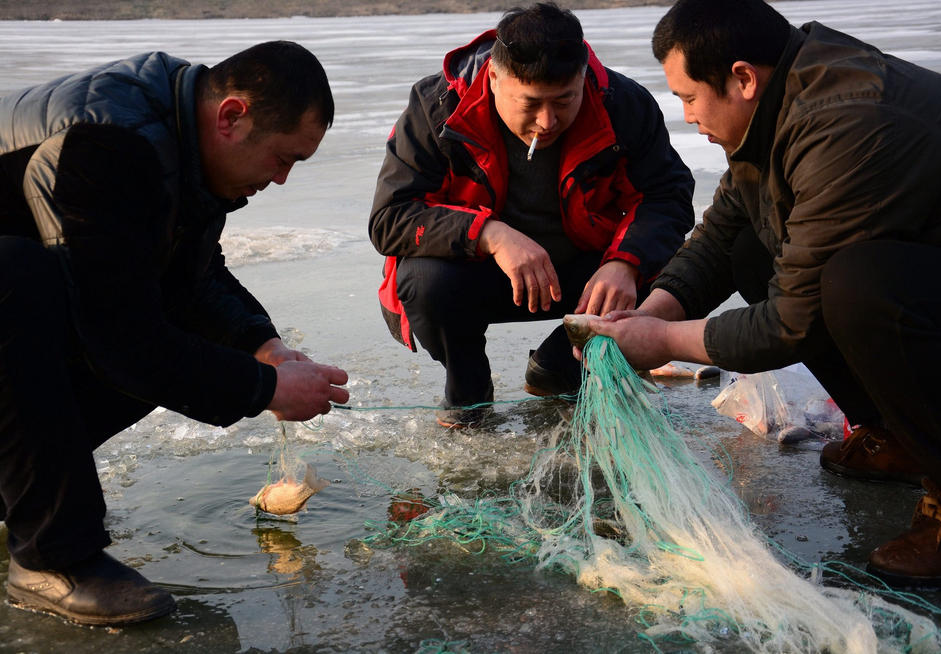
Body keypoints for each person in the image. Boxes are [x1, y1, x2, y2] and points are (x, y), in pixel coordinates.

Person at [585, 0, 941, 587]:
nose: (686, 115)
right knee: (755, 247)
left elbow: (791, 322)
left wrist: (664, 340)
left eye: (689, 97)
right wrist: (651, 311)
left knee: (857, 285)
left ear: (743, 78)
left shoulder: (846, 121)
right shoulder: (779, 105)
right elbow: (723, 234)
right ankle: (898, 436)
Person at [0, 41, 350, 625]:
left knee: (159, 334)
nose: (284, 180)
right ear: (232, 116)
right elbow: (120, 340)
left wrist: (261, 346)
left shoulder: (182, 143)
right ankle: (53, 558)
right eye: (284, 158)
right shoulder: (107, 145)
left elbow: (189, 277)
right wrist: (264, 390)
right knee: (16, 279)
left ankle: (20, 488)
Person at [368, 2, 694, 428]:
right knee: (425, 281)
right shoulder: (438, 108)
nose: (547, 121)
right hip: (477, 276)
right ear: (495, 77)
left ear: (582, 78)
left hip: (586, 278)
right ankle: (468, 389)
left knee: (682, 268)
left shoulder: (622, 103)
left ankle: (561, 363)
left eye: (564, 100)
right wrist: (490, 234)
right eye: (531, 103)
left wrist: (624, 264)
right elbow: (389, 218)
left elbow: (667, 197)